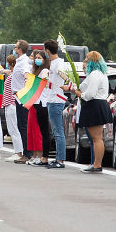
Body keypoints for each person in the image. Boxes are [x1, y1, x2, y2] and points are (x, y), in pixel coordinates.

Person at [71, 51, 112, 173]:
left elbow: (89, 95)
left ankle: (97, 164)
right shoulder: (101, 74)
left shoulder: (95, 74)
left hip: (94, 104)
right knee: (97, 138)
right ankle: (95, 163)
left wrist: (77, 93)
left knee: (96, 138)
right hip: (98, 104)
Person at [42, 39, 68, 169]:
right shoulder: (53, 63)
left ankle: (60, 160)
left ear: (47, 50)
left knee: (58, 131)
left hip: (56, 101)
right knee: (56, 131)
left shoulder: (58, 64)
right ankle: (58, 158)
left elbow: (63, 74)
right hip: (52, 100)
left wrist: (66, 81)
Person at [9, 40, 31, 164]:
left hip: (22, 97)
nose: (14, 48)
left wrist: (25, 90)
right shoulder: (20, 61)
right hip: (18, 97)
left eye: (15, 47)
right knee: (21, 125)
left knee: (23, 126)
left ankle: (27, 154)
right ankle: (25, 152)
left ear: (20, 49)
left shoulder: (24, 62)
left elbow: (26, 74)